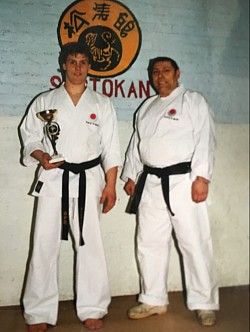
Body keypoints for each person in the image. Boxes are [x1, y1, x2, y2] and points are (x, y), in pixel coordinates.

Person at [20, 42, 121, 332]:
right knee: (44, 243)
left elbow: (111, 148)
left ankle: (93, 307)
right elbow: (30, 138)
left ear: (89, 67)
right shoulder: (44, 101)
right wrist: (41, 156)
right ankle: (38, 311)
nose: (78, 67)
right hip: (54, 178)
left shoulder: (101, 104)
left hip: (90, 179)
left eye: (83, 62)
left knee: (89, 244)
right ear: (63, 65)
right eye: (72, 61)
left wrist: (110, 185)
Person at [121, 56, 219, 326]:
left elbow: (205, 138)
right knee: (149, 242)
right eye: (155, 72)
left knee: (194, 243)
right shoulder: (147, 107)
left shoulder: (193, 101)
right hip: (151, 182)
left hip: (183, 181)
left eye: (166, 71)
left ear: (177, 73)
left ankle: (205, 302)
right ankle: (153, 299)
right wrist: (131, 174)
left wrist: (202, 177)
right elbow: (136, 143)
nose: (160, 76)